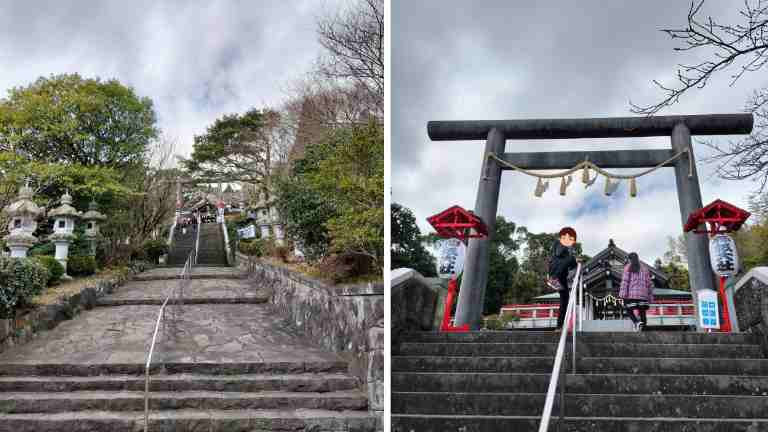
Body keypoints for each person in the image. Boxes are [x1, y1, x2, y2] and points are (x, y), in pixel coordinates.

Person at [548, 227, 579, 331]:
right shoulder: (566, 251)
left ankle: (559, 326)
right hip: (557, 278)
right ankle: (559, 326)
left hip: (555, 278)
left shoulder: (557, 250)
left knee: (564, 299)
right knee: (564, 300)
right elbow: (573, 265)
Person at [619, 252, 654, 332]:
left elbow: (625, 282)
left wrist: (622, 295)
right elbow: (649, 284)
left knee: (627, 308)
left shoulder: (628, 268)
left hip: (632, 296)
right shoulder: (644, 269)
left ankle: (636, 322)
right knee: (642, 312)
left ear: (629, 259)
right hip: (643, 297)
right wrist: (650, 297)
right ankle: (644, 330)